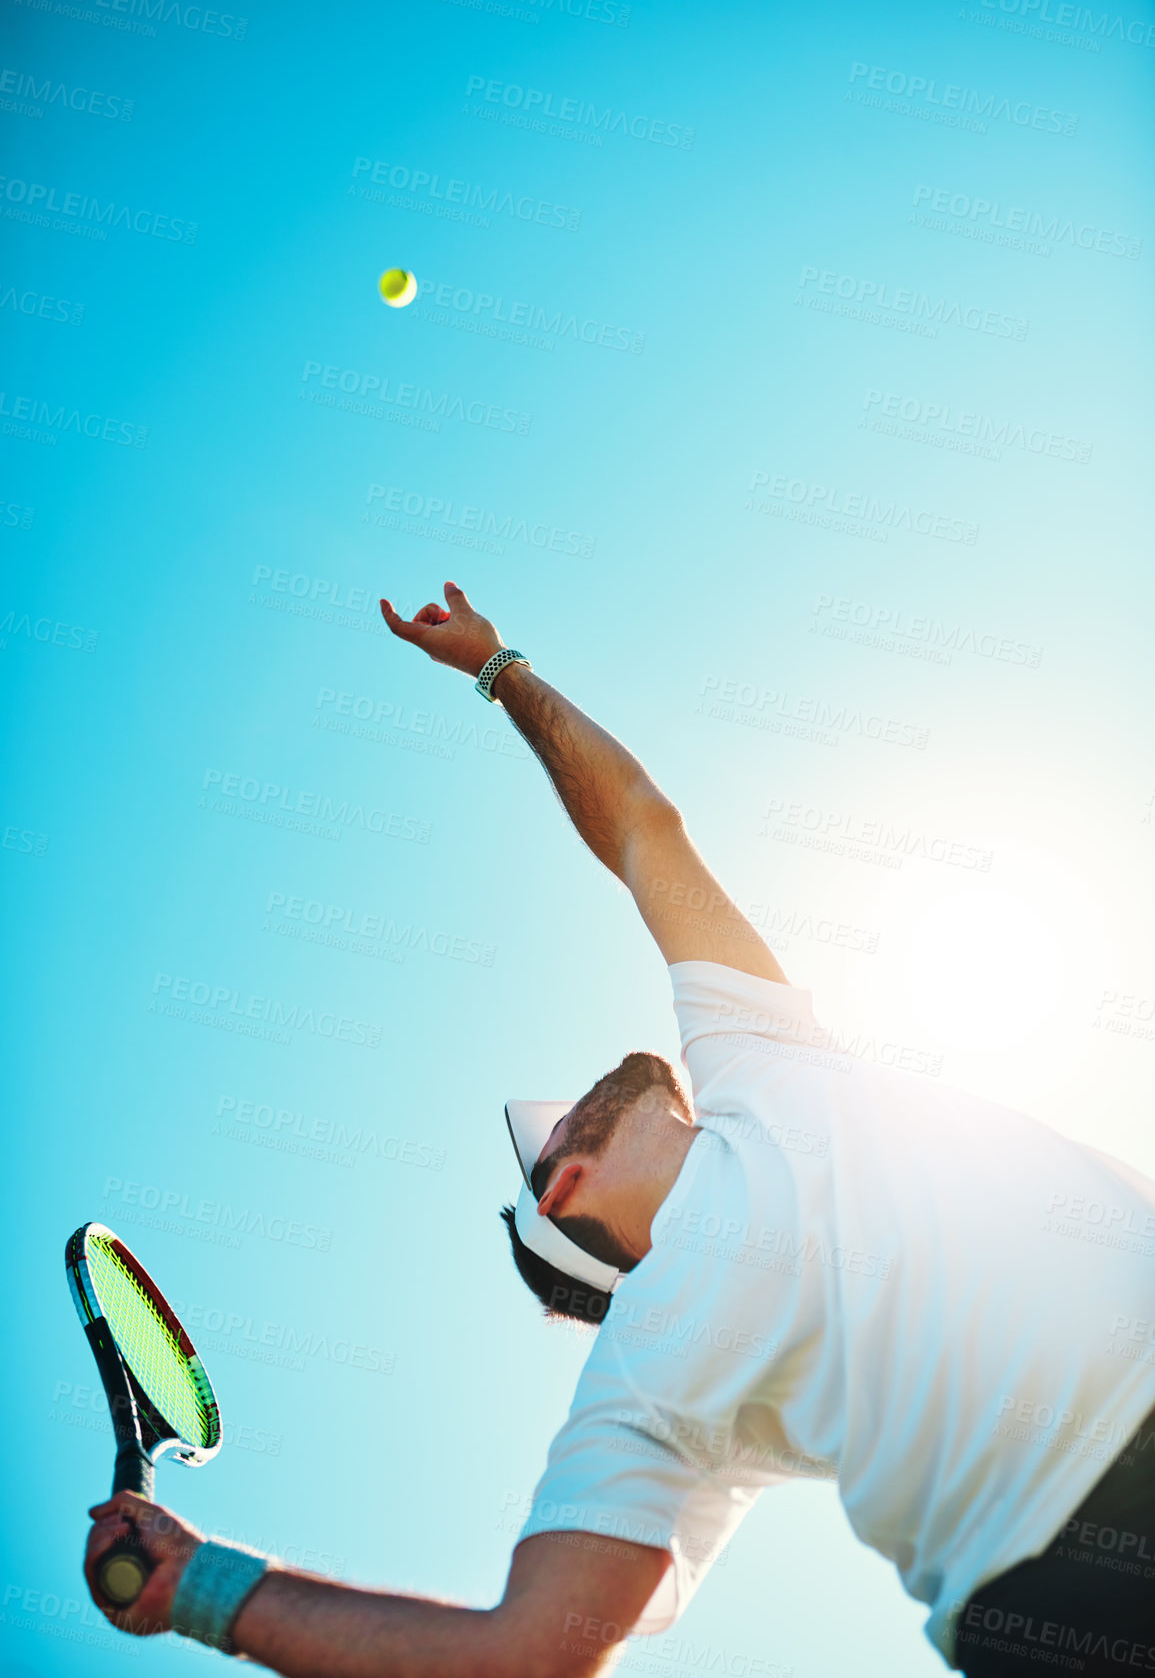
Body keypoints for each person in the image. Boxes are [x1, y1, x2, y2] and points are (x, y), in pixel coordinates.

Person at [85, 582, 1155, 1677]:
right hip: (1063, 1595)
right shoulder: (642, 1372)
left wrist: (500, 672)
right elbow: (531, 1657)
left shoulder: (763, 1063)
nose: (581, 1090)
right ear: (562, 1190)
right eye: (554, 1130)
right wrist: (202, 1589)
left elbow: (642, 823)